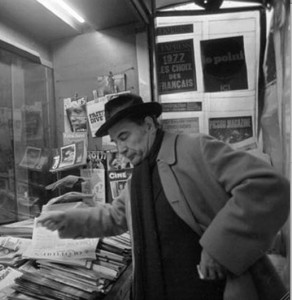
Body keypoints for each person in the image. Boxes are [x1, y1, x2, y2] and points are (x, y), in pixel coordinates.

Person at [38, 93, 290, 300]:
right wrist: (68, 221)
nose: (120, 149)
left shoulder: (194, 148)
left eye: (124, 136)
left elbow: (266, 185)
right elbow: (116, 215)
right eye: (115, 142)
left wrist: (217, 247)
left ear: (148, 125)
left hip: (212, 289)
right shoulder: (138, 176)